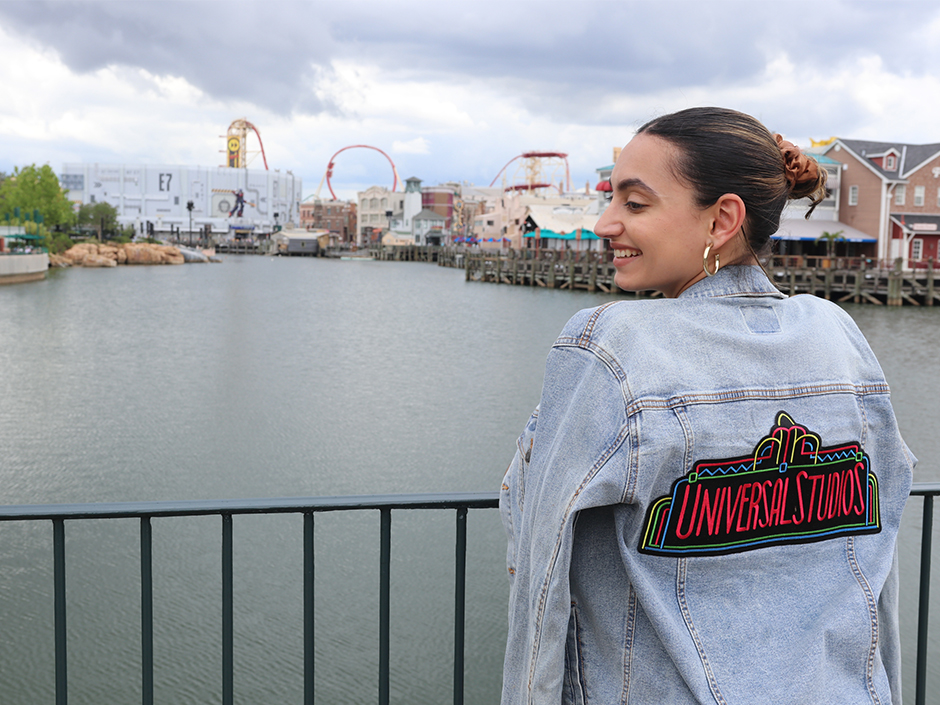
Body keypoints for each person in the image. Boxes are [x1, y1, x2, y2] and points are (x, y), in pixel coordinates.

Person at [499, 107, 914, 704]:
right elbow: (875, 564)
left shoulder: (612, 347)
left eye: (635, 204)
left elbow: (542, 576)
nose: (605, 223)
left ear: (722, 219)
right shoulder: (839, 336)